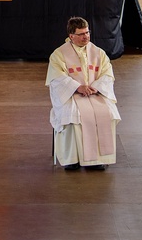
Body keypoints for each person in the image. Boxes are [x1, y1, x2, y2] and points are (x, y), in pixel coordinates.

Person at [46, 17, 121, 170]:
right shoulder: (59, 54)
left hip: (95, 93)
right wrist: (77, 87)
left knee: (108, 113)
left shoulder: (98, 52)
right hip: (71, 94)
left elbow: (107, 73)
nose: (85, 37)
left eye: (87, 33)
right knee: (72, 115)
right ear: (71, 36)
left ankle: (98, 160)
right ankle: (72, 159)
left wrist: (96, 86)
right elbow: (57, 77)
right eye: (81, 34)